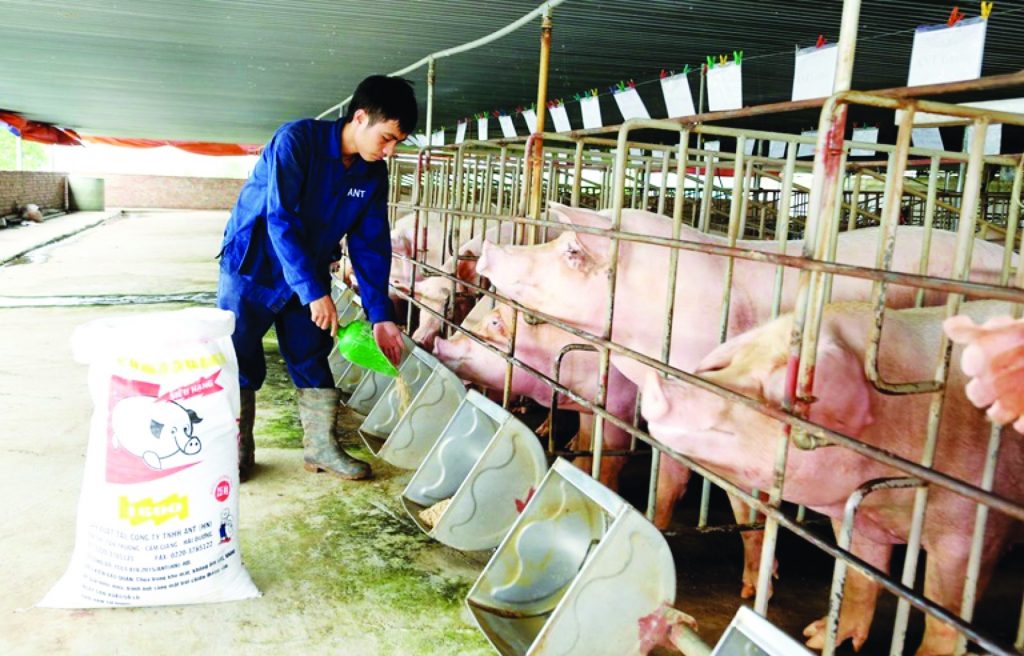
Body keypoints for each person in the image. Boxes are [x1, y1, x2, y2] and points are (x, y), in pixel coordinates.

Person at [217, 75, 417, 482]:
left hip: (307, 266)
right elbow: (280, 219)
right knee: (239, 354)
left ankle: (321, 448)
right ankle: (237, 447)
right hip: (254, 265)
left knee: (310, 352)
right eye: (387, 138)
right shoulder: (296, 142)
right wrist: (313, 291)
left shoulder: (372, 174)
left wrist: (381, 315)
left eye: (398, 143)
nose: (390, 151)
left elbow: (370, 244)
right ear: (360, 118)